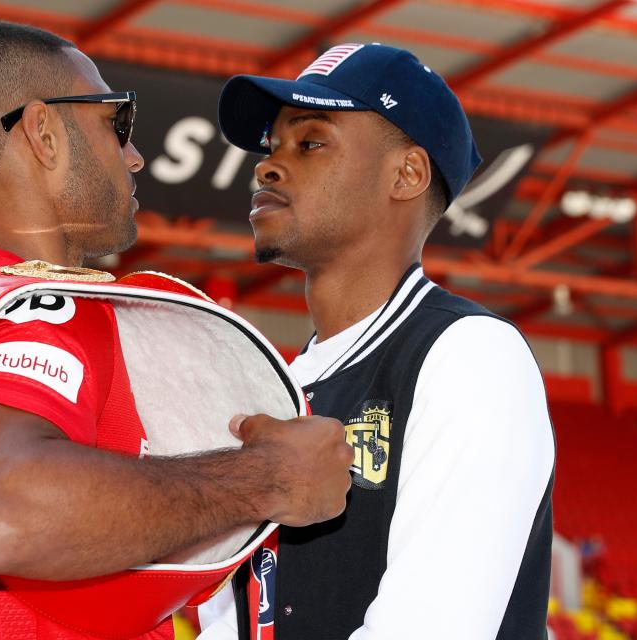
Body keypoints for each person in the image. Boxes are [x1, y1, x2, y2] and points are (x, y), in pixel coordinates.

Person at [0, 21, 356, 640]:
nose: (134, 155)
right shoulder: (46, 307)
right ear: (43, 133)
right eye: (116, 124)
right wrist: (269, 477)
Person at [199, 43, 555, 639]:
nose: (267, 166)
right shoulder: (274, 388)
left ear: (407, 174)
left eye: (310, 142)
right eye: (271, 146)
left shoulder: (469, 355)